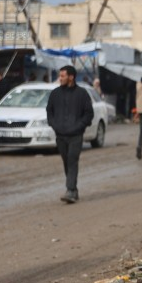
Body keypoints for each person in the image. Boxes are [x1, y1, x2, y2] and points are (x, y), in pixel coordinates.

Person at [46, 66, 93, 204]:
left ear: (71, 77)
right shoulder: (55, 94)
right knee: (66, 161)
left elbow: (89, 114)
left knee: (72, 160)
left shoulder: (82, 93)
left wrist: (79, 127)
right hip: (60, 135)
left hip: (76, 135)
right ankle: (73, 189)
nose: (60, 78)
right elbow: (49, 111)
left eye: (63, 76)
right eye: (60, 76)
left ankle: (70, 190)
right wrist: (54, 125)